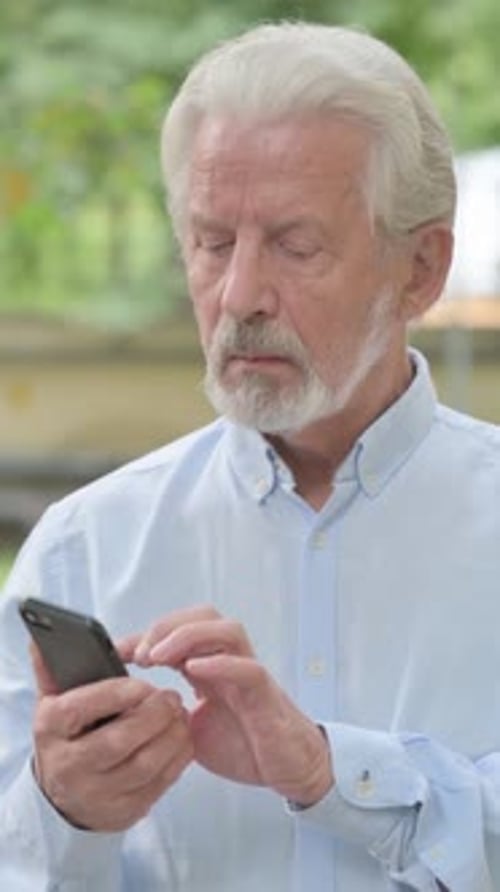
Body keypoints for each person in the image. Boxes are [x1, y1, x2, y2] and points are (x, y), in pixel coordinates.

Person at [0, 20, 499, 892]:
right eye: (212, 242)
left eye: (295, 246)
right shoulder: (83, 548)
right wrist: (62, 809)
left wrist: (325, 770)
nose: (239, 296)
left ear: (419, 269)